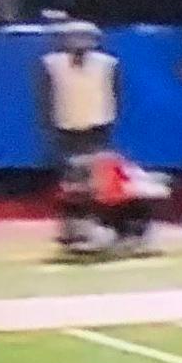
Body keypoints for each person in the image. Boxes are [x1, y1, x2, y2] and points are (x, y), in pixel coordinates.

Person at [36, 18, 121, 246]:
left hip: (97, 129)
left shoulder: (107, 63)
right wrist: (49, 126)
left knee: (97, 179)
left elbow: (116, 94)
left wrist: (108, 122)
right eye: (73, 39)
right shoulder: (51, 64)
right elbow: (44, 98)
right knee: (71, 182)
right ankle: (71, 229)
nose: (79, 44)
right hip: (65, 129)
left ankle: (99, 227)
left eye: (85, 39)